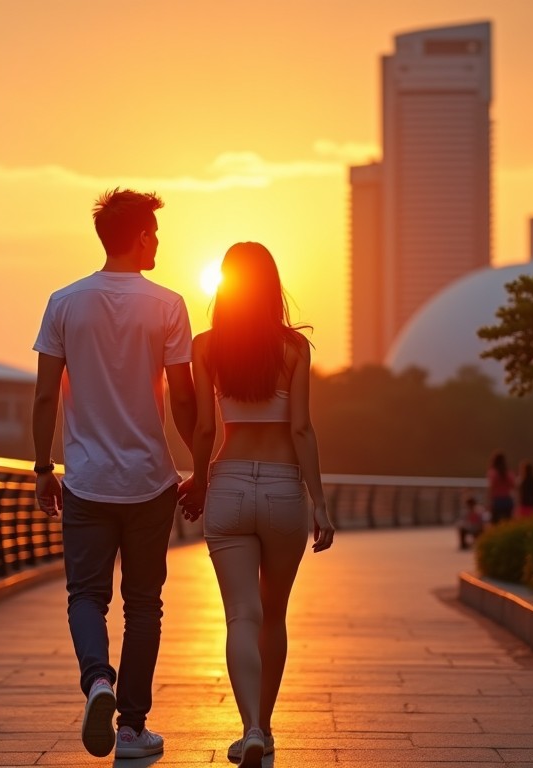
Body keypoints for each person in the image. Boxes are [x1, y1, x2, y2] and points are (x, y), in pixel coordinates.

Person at [31, 188, 197, 760]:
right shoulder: (169, 305)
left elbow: (46, 397)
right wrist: (199, 467)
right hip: (151, 481)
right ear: (139, 236)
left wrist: (42, 469)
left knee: (86, 595)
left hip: (84, 481)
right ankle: (130, 728)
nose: (159, 239)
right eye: (154, 230)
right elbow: (184, 400)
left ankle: (97, 681)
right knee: (143, 604)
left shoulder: (64, 302)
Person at [178, 242, 334, 768]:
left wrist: (198, 482)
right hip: (283, 490)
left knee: (241, 616)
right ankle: (264, 728)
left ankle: (246, 728)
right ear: (272, 285)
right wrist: (319, 502)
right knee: (273, 615)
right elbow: (303, 429)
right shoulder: (294, 349)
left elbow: (203, 428)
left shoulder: (207, 346)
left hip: (228, 485)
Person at [486, 451, 516, 524]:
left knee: (495, 523)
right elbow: (513, 486)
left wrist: (489, 502)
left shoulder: (493, 473)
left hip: (497, 501)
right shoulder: (508, 473)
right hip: (507, 500)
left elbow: (491, 489)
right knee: (507, 523)